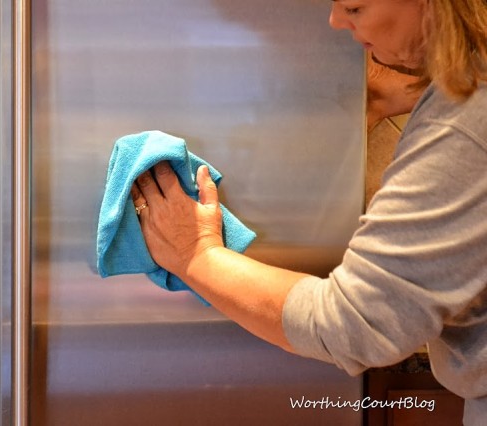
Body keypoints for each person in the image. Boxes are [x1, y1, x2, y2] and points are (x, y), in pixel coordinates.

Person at [130, 0, 487, 424]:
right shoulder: (461, 101)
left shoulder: (466, 122)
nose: (335, 21)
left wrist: (195, 254)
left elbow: (356, 324)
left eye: (355, 8)